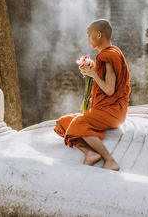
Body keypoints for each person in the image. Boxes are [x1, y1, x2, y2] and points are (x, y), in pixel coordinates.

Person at [54, 19, 131, 171]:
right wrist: (92, 73)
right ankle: (89, 152)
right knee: (62, 123)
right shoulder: (106, 55)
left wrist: (94, 74)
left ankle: (109, 161)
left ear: (99, 35)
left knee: (77, 123)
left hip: (113, 112)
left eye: (89, 35)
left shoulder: (109, 56)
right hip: (102, 110)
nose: (88, 39)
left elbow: (109, 90)